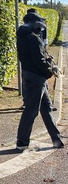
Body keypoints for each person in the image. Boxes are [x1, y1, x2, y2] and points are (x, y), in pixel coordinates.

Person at [16, 20, 63, 150]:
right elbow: (39, 60)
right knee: (31, 110)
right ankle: (22, 141)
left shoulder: (22, 36)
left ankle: (56, 139)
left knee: (46, 108)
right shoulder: (34, 38)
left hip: (29, 74)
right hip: (37, 77)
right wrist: (49, 71)